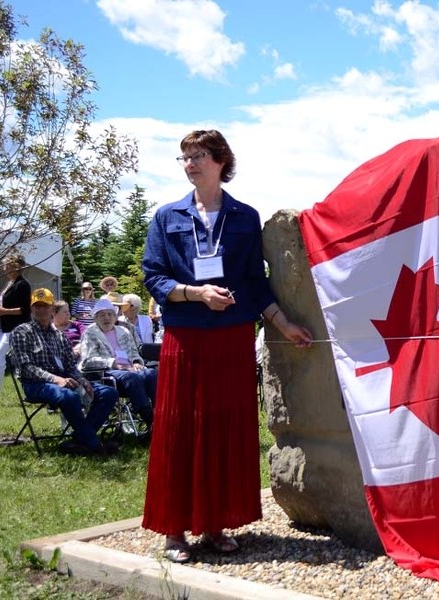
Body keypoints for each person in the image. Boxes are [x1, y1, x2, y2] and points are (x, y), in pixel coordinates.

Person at [141, 129, 312, 564]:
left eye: (198, 155)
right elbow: (153, 277)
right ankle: (174, 530)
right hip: (185, 337)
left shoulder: (244, 217)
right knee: (180, 431)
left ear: (220, 160)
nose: (190, 164)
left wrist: (284, 323)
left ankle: (215, 524)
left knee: (223, 429)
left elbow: (254, 281)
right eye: (184, 158)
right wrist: (196, 294)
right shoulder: (166, 217)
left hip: (232, 338)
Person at [9, 288, 119, 456]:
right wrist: (56, 379)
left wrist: (82, 380)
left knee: (109, 393)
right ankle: (96, 446)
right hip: (36, 384)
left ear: (52, 309)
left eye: (45, 306)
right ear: (31, 308)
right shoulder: (22, 332)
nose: (41, 310)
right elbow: (25, 368)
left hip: (66, 382)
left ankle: (77, 441)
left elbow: (70, 366)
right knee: (68, 396)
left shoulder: (60, 336)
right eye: (37, 306)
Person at [80, 298, 155, 437]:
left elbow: (133, 351)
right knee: (131, 377)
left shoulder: (123, 331)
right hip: (106, 373)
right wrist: (113, 363)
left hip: (130, 369)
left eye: (110, 314)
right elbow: (88, 360)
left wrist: (137, 361)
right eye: (102, 315)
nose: (106, 318)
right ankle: (151, 423)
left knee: (151, 373)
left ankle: (161, 415)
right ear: (95, 318)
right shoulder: (90, 333)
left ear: (115, 316)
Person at [0, 253, 31, 405]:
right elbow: (8, 307)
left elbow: (24, 310)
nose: (4, 268)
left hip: (18, 329)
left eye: (6, 265)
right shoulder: (10, 283)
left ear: (14, 267)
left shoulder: (22, 285)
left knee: (1, 359)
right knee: (1, 360)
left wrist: (2, 311)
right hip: (8, 328)